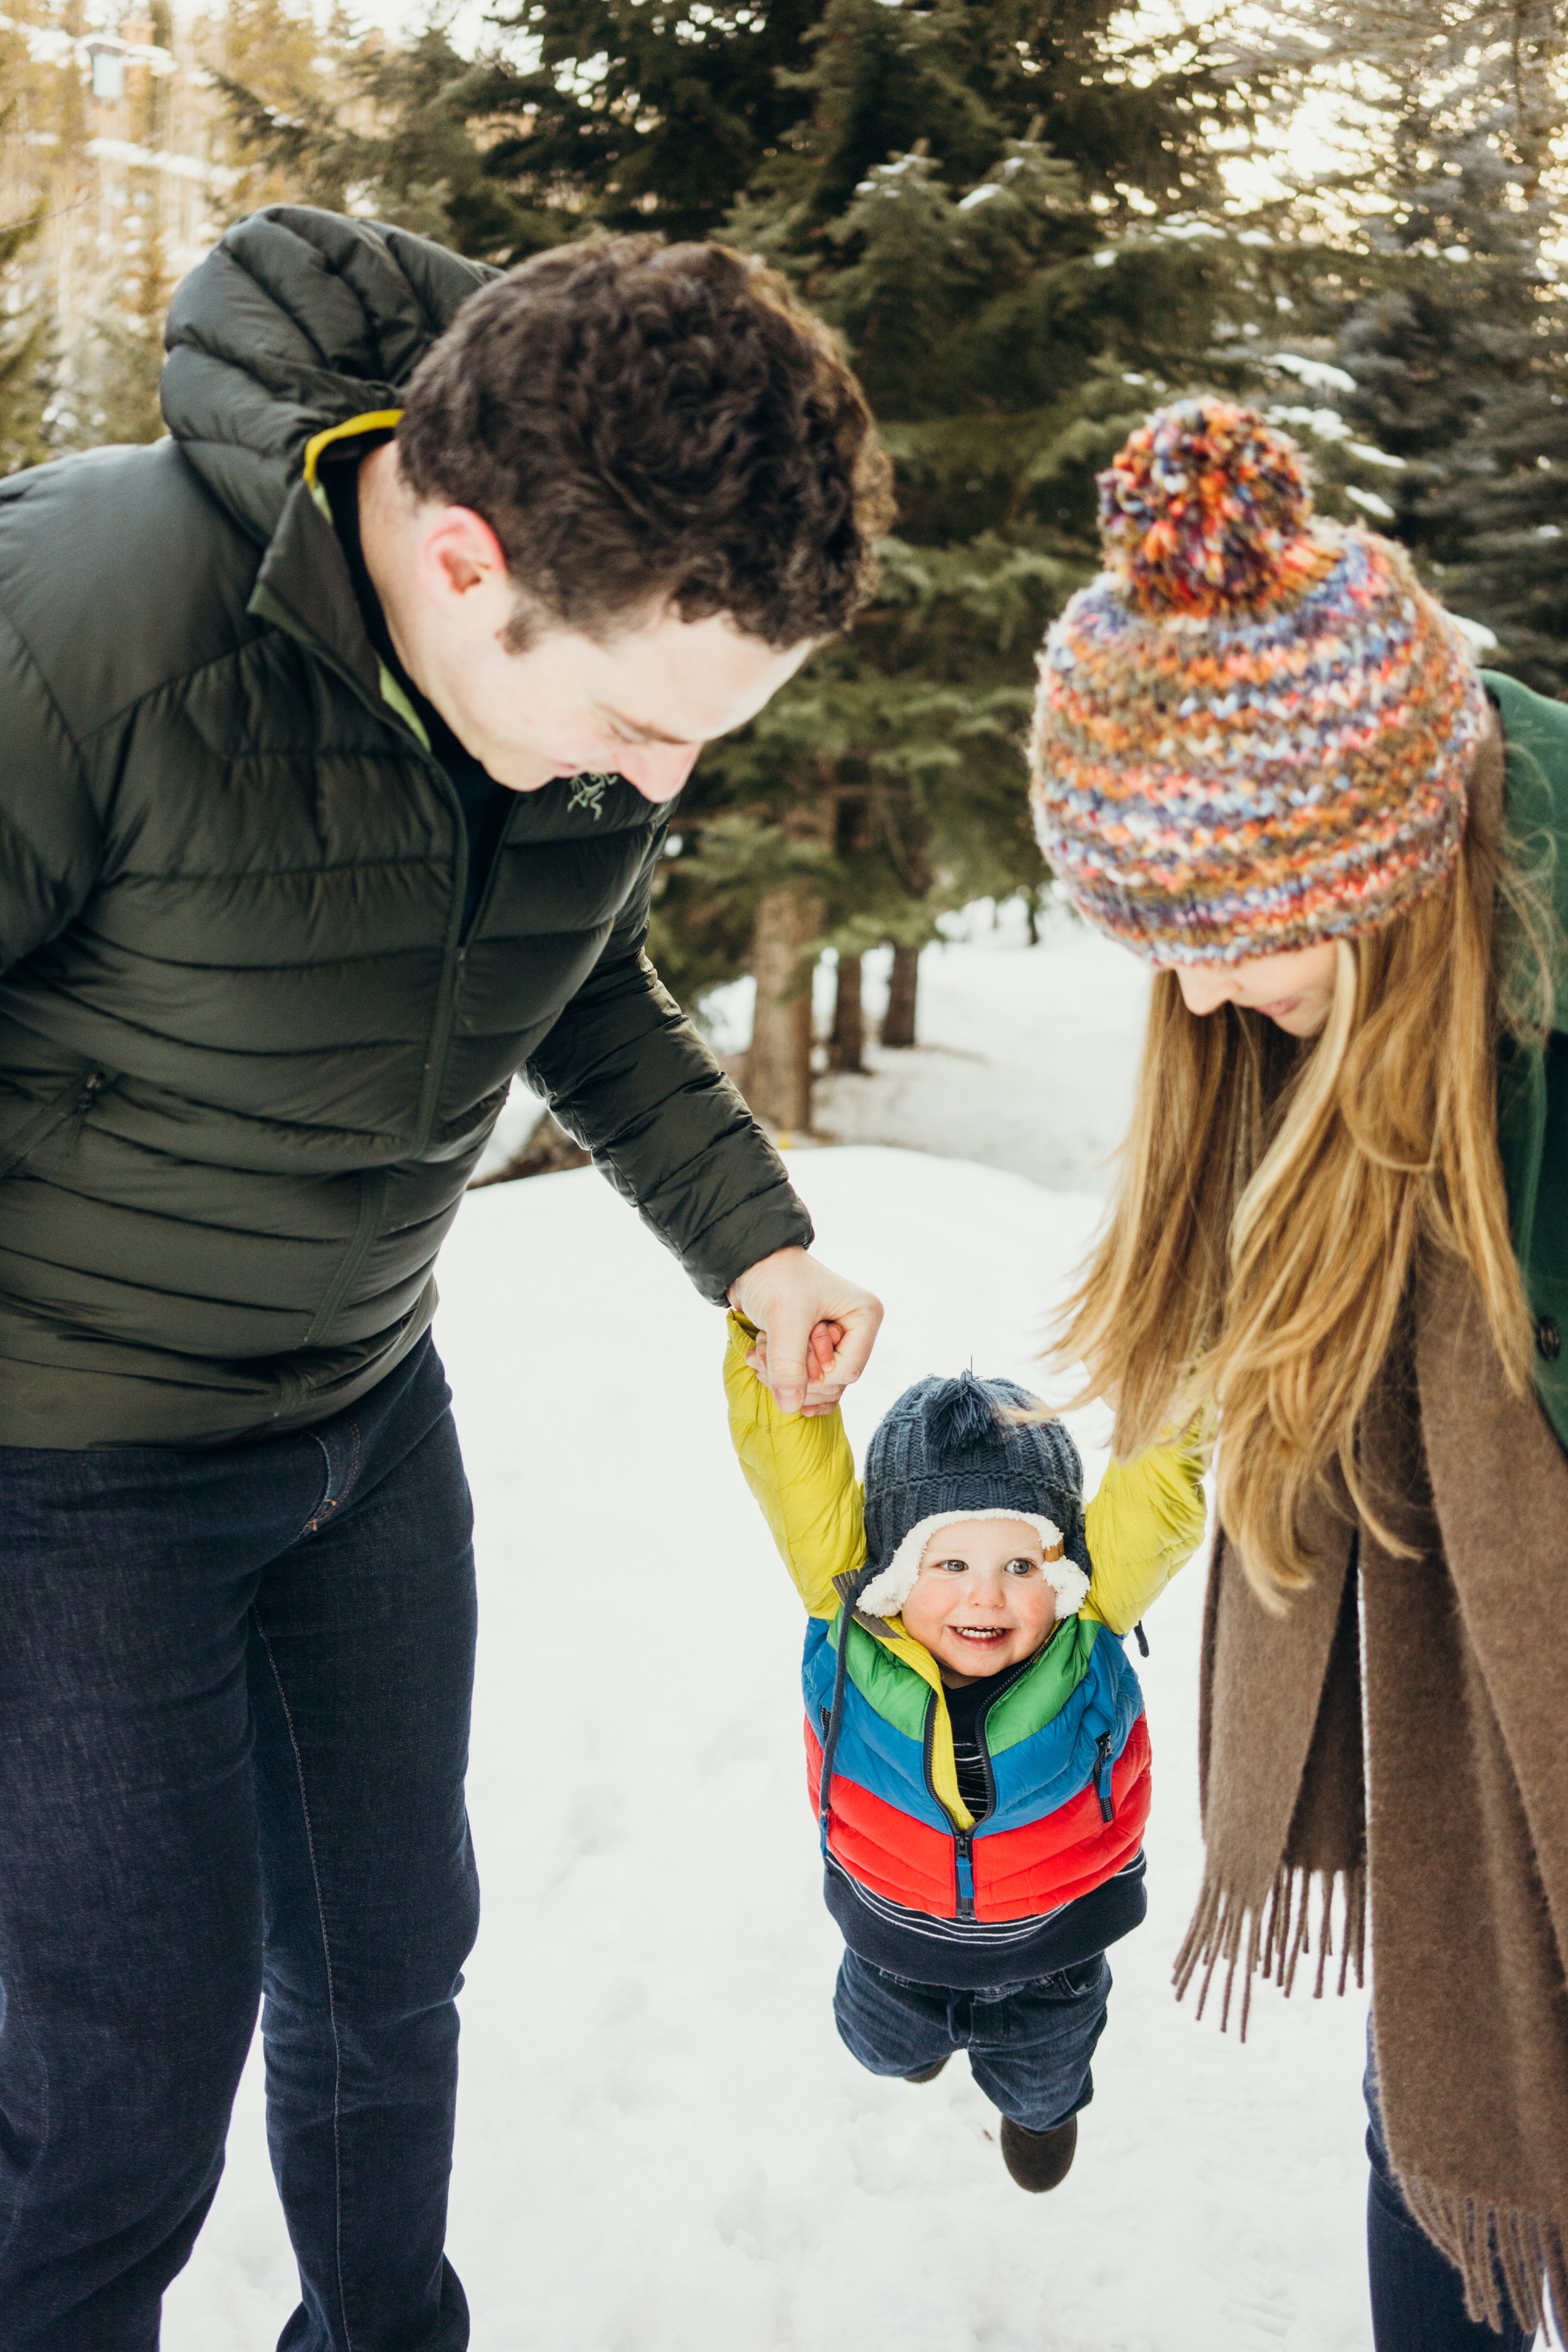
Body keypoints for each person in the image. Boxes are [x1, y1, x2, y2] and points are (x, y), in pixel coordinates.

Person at [0, 206, 892, 2349]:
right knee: (121, 2075)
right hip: (72, 1475)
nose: (664, 784)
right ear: (466, 560)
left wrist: (751, 1234)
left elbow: (585, 981)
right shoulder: (82, 614)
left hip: (366, 1431)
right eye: (638, 724)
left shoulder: (572, 693)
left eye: (709, 739)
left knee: (394, 1965)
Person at [1028, 398, 1568, 2344]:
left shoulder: (1537, 1031)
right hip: (1466, 1783)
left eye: (1228, 936)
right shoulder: (1358, 974)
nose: (1189, 994)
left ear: (1380, 871)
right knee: (1434, 2111)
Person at [724, 1308, 1205, 2187]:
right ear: (894, 1574)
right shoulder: (847, 1617)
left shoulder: (1088, 1626)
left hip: (1052, 1958)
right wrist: (780, 1348)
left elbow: (1161, 1485)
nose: (986, 1596)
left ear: (1061, 1576)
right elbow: (793, 1472)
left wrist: (1186, 1352)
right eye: (947, 1566)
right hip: (889, 1942)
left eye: (1021, 1567)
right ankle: (920, 2051)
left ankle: (1040, 2112)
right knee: (881, 2047)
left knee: (1045, 2077)